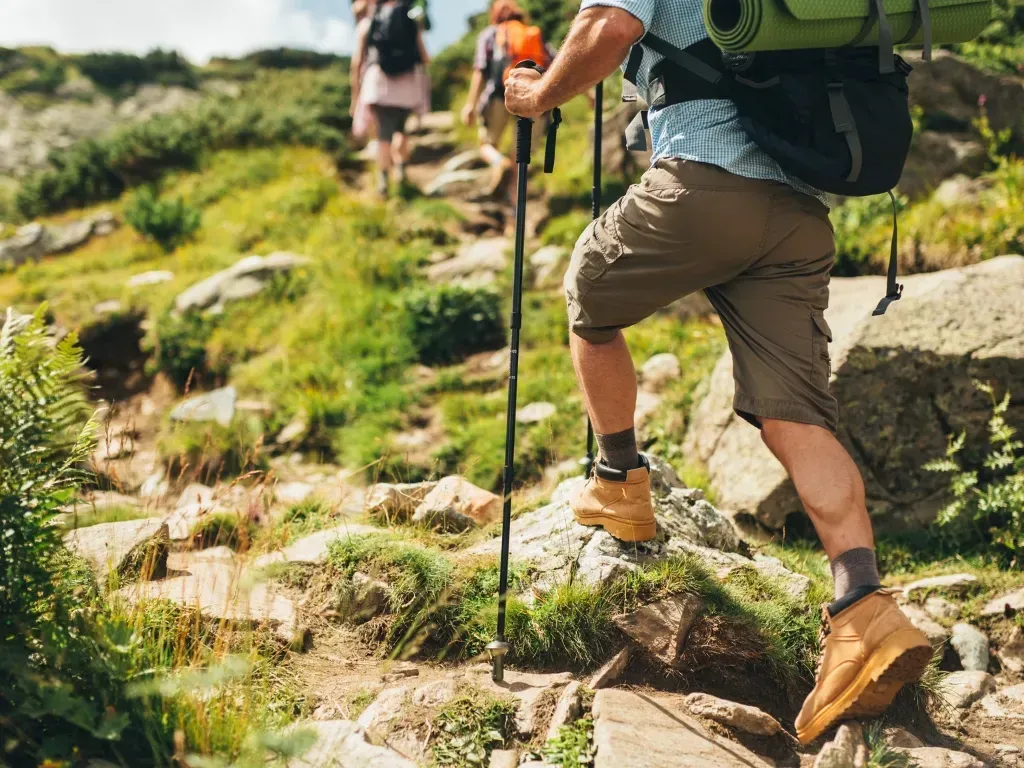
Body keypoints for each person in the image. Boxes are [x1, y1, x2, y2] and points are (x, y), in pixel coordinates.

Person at [502, 0, 933, 746]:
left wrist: (540, 96)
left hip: (706, 185)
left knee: (589, 296)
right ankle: (864, 606)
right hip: (796, 212)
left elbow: (607, 28)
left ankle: (619, 484)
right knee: (795, 416)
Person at [461, 0, 555, 201]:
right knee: (520, 159)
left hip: (498, 94)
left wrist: (470, 105)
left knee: (486, 143)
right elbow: (556, 65)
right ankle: (514, 207)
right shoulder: (532, 33)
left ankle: (498, 163)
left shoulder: (491, 34)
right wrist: (588, 95)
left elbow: (480, 70)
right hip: (532, 97)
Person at [351, 0, 431, 197]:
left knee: (383, 136)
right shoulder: (411, 20)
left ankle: (383, 182)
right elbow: (425, 57)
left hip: (379, 85)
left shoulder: (368, 23)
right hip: (406, 87)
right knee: (400, 131)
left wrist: (355, 96)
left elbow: (356, 63)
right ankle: (402, 173)